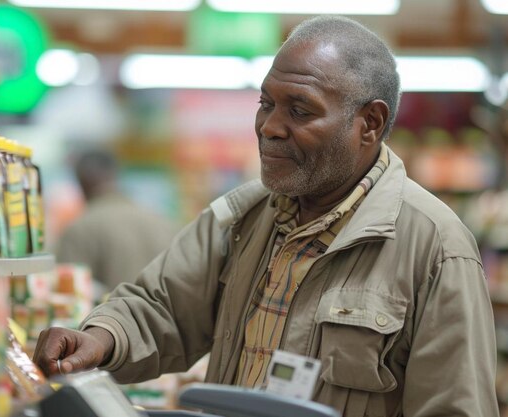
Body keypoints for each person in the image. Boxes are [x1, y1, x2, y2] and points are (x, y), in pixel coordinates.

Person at [34, 16, 499, 416]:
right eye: (266, 104)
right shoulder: (244, 218)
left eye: (300, 110)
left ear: (370, 124)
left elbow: (454, 406)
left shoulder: (435, 249)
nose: (270, 127)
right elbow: (162, 307)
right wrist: (100, 338)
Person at [54, 148, 178, 294]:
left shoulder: (80, 230)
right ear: (116, 175)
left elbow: (69, 299)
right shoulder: (163, 222)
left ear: (81, 182)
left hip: (108, 316)